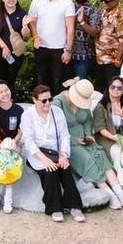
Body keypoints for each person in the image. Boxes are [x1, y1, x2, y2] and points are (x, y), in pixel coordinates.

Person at [57, 78, 123, 210]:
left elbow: (88, 121)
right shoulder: (58, 103)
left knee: (101, 154)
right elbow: (56, 131)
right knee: (88, 160)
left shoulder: (83, 102)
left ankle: (118, 190)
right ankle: (109, 193)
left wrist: (88, 134)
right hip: (68, 142)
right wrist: (74, 140)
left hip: (85, 138)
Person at [19, 84, 86, 223]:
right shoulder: (28, 115)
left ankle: (74, 205)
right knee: (50, 171)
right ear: (35, 100)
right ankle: (55, 207)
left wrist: (63, 155)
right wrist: (45, 160)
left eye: (50, 99)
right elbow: (29, 141)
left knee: (65, 169)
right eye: (44, 101)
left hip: (55, 151)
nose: (48, 103)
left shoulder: (57, 112)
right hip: (38, 154)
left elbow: (64, 135)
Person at [27, 0, 76, 92]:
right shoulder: (36, 1)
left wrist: (68, 50)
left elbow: (70, 28)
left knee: (58, 81)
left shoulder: (67, 2)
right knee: (42, 79)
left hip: (59, 48)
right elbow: (32, 22)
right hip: (41, 48)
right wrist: (35, 36)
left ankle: (57, 107)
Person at [93, 0, 123, 95]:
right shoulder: (104, 12)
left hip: (112, 60)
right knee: (99, 90)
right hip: (101, 58)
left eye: (107, 1)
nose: (103, 3)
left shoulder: (121, 15)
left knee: (112, 90)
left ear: (116, 1)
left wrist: (118, 60)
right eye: (102, 0)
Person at [0, 0, 27, 91]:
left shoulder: (22, 13)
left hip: (15, 52)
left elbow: (25, 34)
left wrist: (25, 25)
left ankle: (10, 102)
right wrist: (4, 47)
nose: (11, 0)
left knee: (11, 79)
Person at [70, 0, 102, 82]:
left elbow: (96, 33)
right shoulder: (68, 6)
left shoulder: (93, 11)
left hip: (83, 57)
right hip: (66, 53)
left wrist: (83, 22)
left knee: (80, 86)